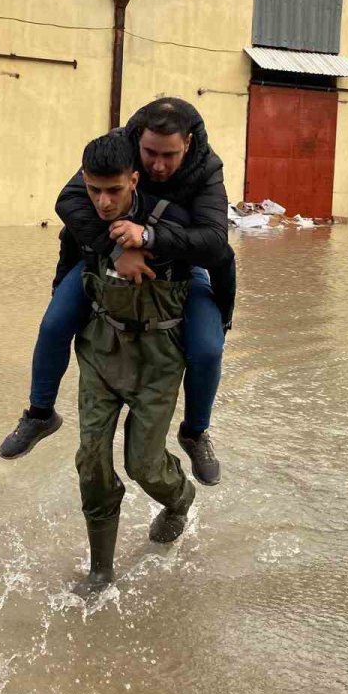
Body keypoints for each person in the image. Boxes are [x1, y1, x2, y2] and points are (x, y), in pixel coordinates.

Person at [0, 98, 234, 485]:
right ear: (136, 141)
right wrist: (117, 249)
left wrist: (150, 237)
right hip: (103, 256)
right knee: (54, 324)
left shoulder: (207, 169)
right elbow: (70, 202)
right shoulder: (116, 149)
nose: (158, 165)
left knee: (208, 348)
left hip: (181, 265)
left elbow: (214, 242)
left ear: (188, 144)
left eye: (169, 155)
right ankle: (40, 414)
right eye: (150, 153)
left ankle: (195, 432)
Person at [70, 132, 198, 596]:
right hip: (101, 354)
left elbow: (215, 253)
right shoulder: (85, 223)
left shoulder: (171, 222)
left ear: (135, 180)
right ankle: (100, 569)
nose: (104, 202)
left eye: (114, 191)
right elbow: (68, 274)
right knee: (91, 460)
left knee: (144, 464)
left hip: (158, 363)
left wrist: (149, 244)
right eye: (94, 190)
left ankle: (181, 496)